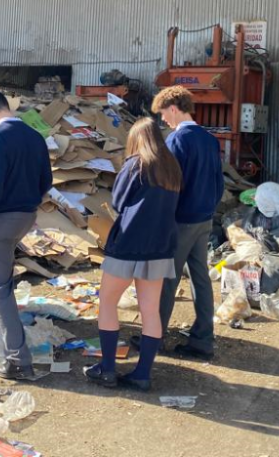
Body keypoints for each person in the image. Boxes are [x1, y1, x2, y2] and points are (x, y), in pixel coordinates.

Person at [84, 118, 181, 392]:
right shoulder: (172, 168)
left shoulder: (136, 164)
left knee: (107, 302)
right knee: (151, 311)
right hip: (161, 246)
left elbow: (117, 201)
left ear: (137, 140)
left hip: (128, 244)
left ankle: (108, 369)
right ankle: (142, 374)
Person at [0, 87, 52, 381]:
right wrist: (30, 203)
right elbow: (47, 180)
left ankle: (17, 360)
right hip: (25, 216)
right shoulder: (34, 136)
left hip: (0, 219)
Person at [150, 85, 225, 360]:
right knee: (200, 278)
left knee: (166, 279)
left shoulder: (176, 141)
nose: (164, 121)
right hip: (204, 218)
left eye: (163, 115)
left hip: (181, 220)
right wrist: (208, 209)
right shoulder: (209, 139)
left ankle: (153, 338)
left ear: (173, 108)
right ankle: (203, 340)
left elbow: (169, 185)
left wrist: (160, 219)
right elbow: (220, 183)